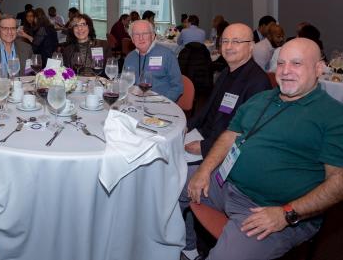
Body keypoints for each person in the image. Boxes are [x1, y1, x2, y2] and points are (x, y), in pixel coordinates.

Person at [186, 38, 343, 260]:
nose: (286, 71)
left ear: (318, 68)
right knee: (167, 182)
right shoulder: (261, 98)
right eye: (281, 63)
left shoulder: (334, 116)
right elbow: (231, 135)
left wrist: (287, 214)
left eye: (297, 64)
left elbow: (338, 181)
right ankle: (188, 248)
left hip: (270, 211)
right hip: (225, 183)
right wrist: (204, 170)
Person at [179, 23, 271, 259]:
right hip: (205, 136)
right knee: (167, 157)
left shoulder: (256, 83)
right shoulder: (227, 72)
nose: (228, 47)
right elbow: (207, 109)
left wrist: (203, 147)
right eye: (225, 41)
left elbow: (245, 136)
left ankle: (187, 245)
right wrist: (187, 126)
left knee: (175, 176)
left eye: (236, 42)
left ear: (251, 47)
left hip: (222, 152)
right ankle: (185, 240)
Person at [123, 20, 183, 102]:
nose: (141, 38)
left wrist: (164, 102)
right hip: (135, 103)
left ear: (153, 36)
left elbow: (177, 86)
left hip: (160, 104)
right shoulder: (129, 58)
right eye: (136, 34)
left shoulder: (167, 55)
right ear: (132, 39)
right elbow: (125, 83)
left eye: (145, 33)